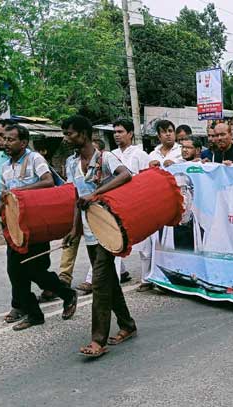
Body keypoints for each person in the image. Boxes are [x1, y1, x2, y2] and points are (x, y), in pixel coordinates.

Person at [0, 123, 77, 331]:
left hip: (36, 226)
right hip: (14, 227)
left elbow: (48, 181)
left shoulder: (35, 159)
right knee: (15, 272)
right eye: (4, 139)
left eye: (11, 140)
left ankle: (66, 293)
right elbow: (6, 197)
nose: (6, 143)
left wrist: (21, 192)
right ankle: (34, 314)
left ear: (24, 142)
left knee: (35, 270)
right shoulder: (5, 167)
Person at [62, 115, 136, 358]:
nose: (66, 138)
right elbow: (77, 196)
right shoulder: (72, 163)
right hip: (90, 230)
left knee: (100, 282)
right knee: (108, 282)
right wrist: (75, 230)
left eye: (70, 133)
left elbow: (125, 175)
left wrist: (97, 194)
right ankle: (127, 324)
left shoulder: (105, 157)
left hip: (110, 228)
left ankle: (97, 340)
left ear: (84, 134)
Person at [107, 119, 154, 293]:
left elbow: (147, 178)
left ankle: (146, 278)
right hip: (117, 203)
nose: (117, 135)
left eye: (120, 131)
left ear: (130, 134)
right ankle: (114, 278)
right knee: (115, 240)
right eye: (115, 132)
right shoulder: (111, 155)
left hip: (138, 202)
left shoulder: (140, 154)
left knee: (144, 245)